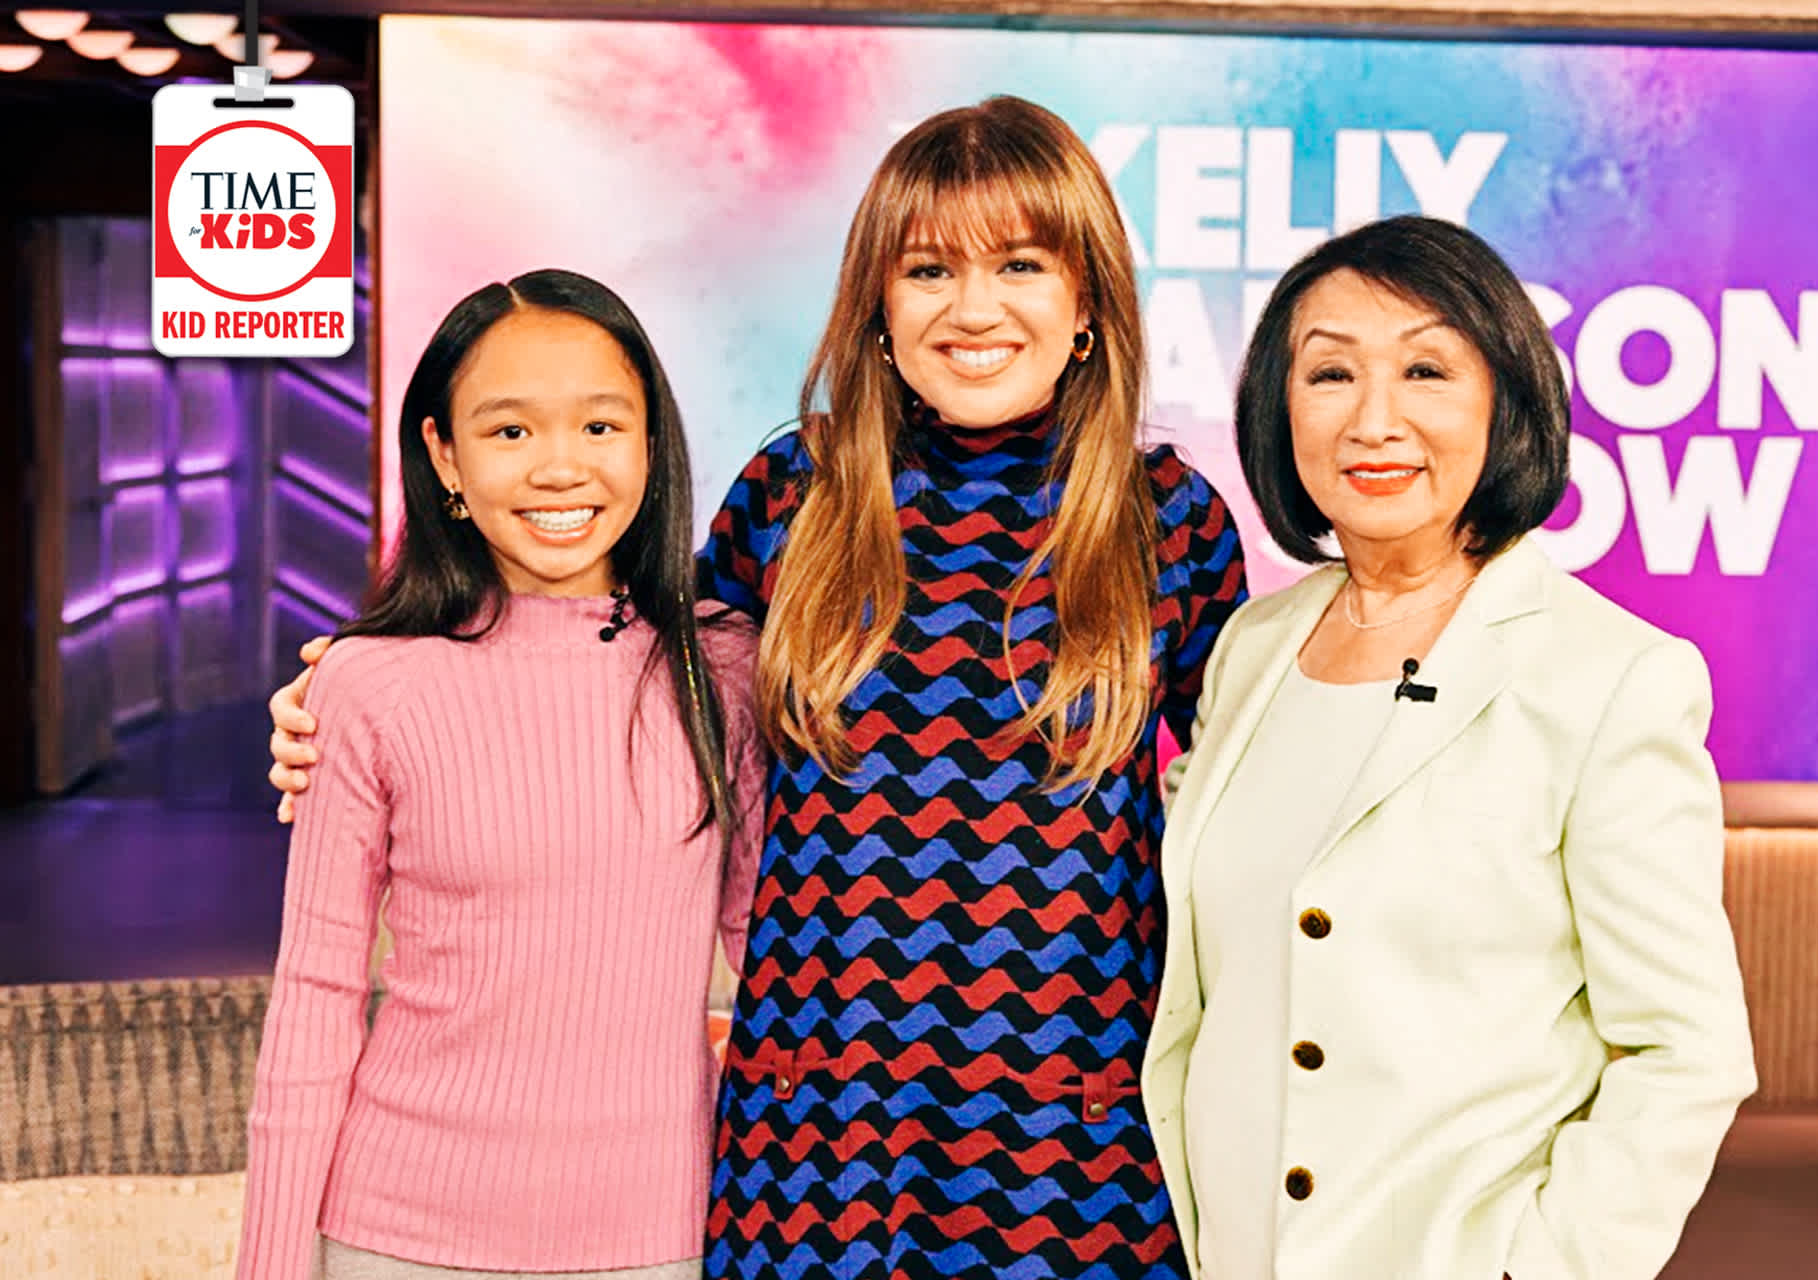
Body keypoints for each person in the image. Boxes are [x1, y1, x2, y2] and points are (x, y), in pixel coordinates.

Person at [269, 97, 1246, 1279]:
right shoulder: (799, 490)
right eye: (928, 268)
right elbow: (614, 655)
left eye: (1022, 264)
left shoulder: (1169, 522)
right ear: (877, 309)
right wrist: (366, 681)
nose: (973, 307)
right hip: (812, 1143)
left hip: (1068, 1141)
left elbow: (1256, 797)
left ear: (1087, 300)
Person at [1142, 215, 1756, 1280]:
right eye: (1330, 374)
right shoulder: (1251, 648)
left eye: (1426, 367)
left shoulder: (1610, 675)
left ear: (1504, 400)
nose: (1374, 419)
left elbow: (1684, 1047)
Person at [237, 269, 766, 1280]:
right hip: (396, 1234)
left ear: (652, 444)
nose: (559, 467)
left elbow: (779, 960)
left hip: (661, 1235)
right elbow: (315, 994)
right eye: (510, 431)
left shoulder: (724, 667)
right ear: (443, 456)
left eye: (602, 427)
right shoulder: (366, 680)